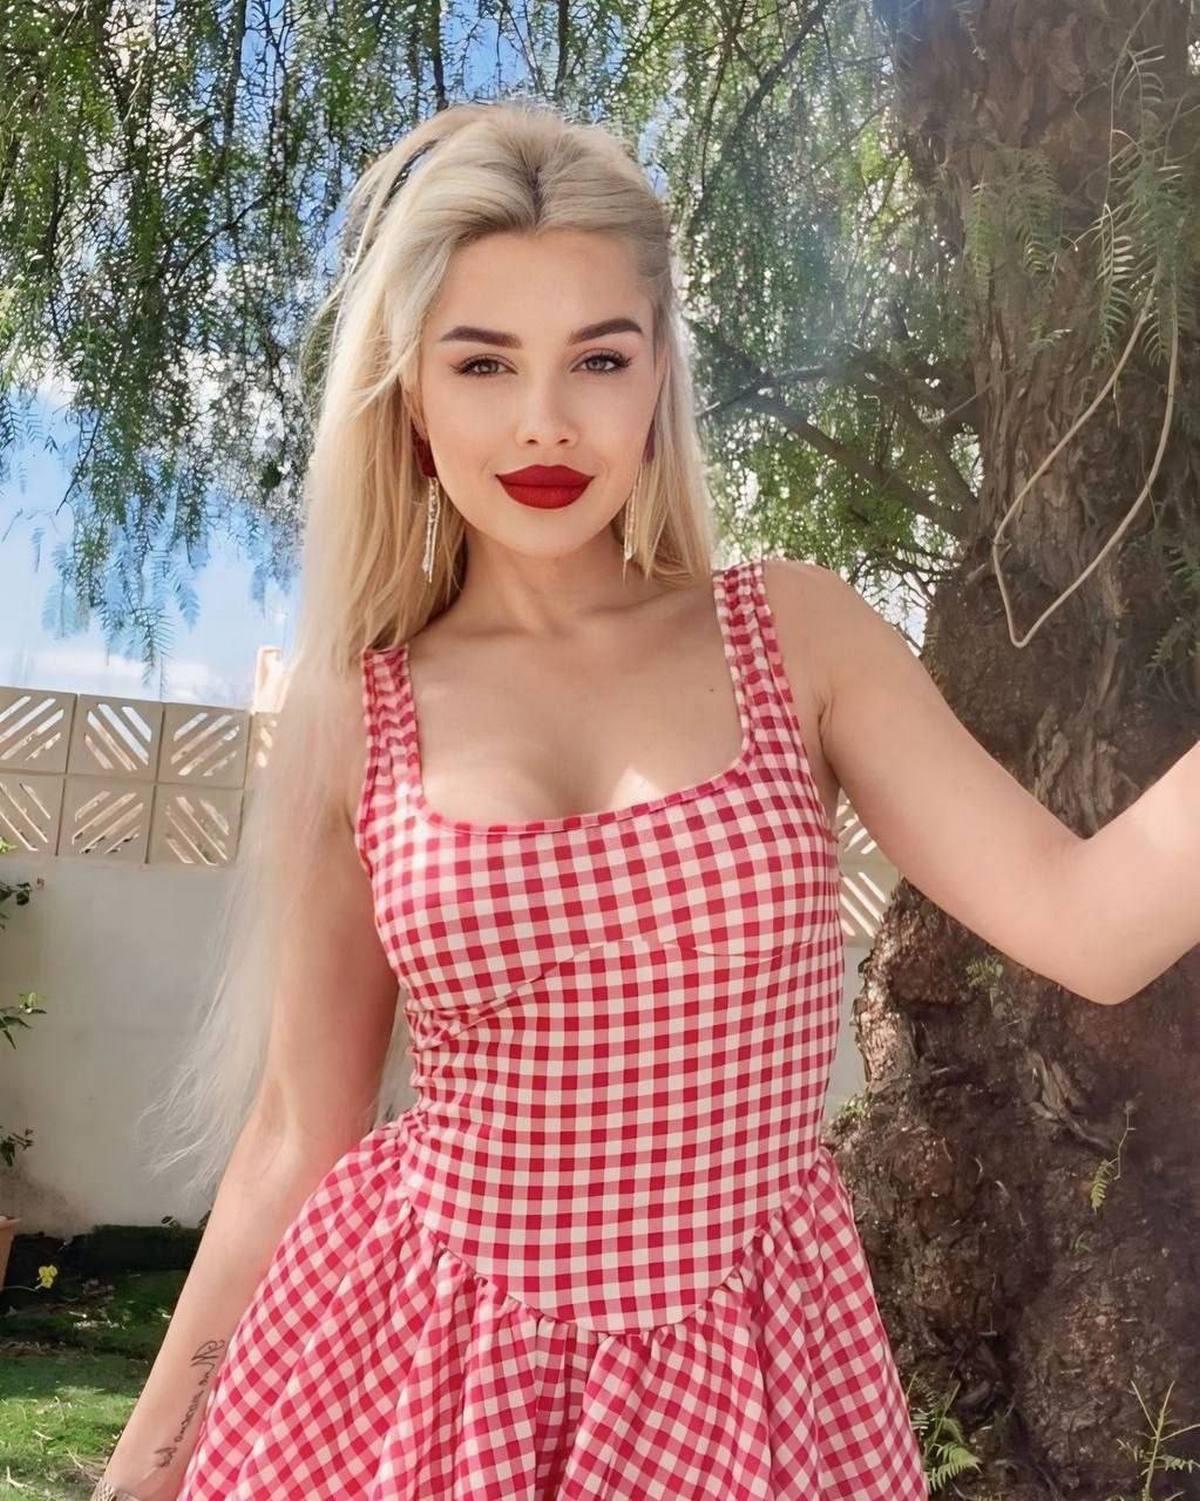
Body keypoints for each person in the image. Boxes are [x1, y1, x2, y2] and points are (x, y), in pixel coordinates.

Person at [97, 94, 1117, 1501]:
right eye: (482, 362)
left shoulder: (795, 636)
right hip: (425, 1386)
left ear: (655, 380)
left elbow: (1087, 920)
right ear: (410, 397)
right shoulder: (355, 712)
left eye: (597, 358)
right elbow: (293, 1135)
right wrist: (136, 1481)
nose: (545, 420)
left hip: (751, 1384)